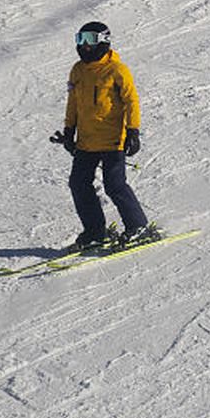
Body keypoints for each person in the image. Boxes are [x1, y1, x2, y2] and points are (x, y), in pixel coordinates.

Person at [52, 21, 159, 250]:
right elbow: (73, 103)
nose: (85, 46)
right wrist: (69, 131)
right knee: (78, 184)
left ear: (103, 41)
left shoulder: (117, 70)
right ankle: (95, 231)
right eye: (80, 39)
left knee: (115, 185)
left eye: (90, 40)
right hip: (86, 141)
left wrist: (133, 131)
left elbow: (132, 101)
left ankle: (138, 227)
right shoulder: (78, 70)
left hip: (113, 140)